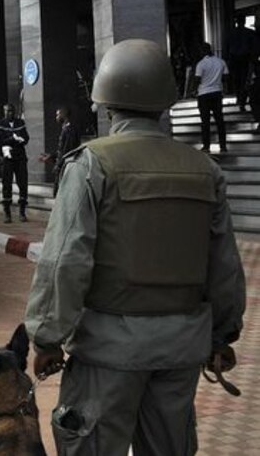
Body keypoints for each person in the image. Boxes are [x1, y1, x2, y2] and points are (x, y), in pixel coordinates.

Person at [25, 39, 245, 455]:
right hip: (181, 348)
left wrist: (47, 337)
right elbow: (225, 264)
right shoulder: (205, 170)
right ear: (165, 102)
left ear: (105, 102)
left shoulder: (90, 164)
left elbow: (64, 262)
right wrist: (222, 335)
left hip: (108, 351)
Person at [0, 103, 29, 223]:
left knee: (23, 183)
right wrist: (13, 139)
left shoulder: (20, 123)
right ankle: (7, 213)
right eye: (8, 111)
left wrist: (19, 140)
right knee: (7, 184)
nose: (10, 113)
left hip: (20, 157)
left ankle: (22, 212)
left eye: (12, 111)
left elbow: (26, 138)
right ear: (4, 112)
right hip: (7, 158)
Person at [194, 42, 229, 153]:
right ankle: (223, 146)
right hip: (217, 93)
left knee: (205, 122)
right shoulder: (221, 62)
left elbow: (197, 79)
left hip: (204, 94)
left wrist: (194, 90)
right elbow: (226, 76)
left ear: (203, 51)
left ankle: (206, 146)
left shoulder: (201, 64)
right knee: (219, 120)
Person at [39, 107, 80, 197]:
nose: (56, 117)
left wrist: (58, 165)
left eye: (58, 115)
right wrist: (51, 156)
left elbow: (67, 150)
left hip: (66, 167)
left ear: (63, 115)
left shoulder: (69, 130)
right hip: (64, 166)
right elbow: (62, 150)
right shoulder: (66, 129)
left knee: (61, 194)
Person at [227, 15, 259, 110]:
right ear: (244, 21)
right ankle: (242, 101)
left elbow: (227, 47)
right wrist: (254, 59)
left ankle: (239, 98)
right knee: (245, 80)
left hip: (234, 58)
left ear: (236, 21)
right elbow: (256, 47)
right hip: (245, 58)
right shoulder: (250, 33)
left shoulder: (231, 33)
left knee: (237, 80)